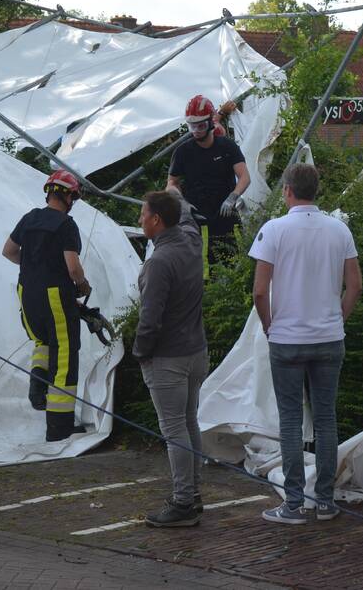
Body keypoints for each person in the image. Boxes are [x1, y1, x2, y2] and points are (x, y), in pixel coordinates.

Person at [249, 163, 362, 524]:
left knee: (290, 421)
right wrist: (338, 319)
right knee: (326, 418)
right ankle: (326, 502)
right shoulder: (339, 229)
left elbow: (259, 290)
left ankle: (294, 503)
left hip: (287, 339)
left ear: (286, 190)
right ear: (317, 190)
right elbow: (355, 285)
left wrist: (270, 325)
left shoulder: (274, 230)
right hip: (329, 338)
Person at [133, 189, 208, 528]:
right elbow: (189, 218)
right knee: (189, 421)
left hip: (169, 357)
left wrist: (139, 353)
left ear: (156, 220)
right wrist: (179, 196)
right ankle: (192, 495)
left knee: (174, 428)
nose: (139, 219)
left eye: (143, 214)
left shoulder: (158, 262)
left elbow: (150, 318)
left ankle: (182, 503)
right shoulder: (192, 242)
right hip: (197, 352)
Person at [2, 170, 90, 442]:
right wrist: (83, 285)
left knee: (42, 340)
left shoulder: (29, 218)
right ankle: (59, 425)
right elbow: (72, 267)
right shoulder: (66, 224)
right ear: (67, 196)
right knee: (64, 353)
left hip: (27, 291)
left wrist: (33, 267)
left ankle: (37, 389)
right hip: (55, 294)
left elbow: (8, 251)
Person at [167, 95, 251, 273]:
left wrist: (233, 196)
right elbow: (172, 183)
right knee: (201, 269)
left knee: (236, 264)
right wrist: (181, 203)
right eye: (192, 126)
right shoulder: (182, 152)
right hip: (197, 219)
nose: (196, 131)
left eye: (201, 125)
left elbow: (244, 176)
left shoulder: (227, 147)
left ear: (211, 123)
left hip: (227, 216)